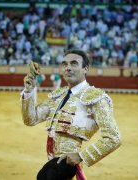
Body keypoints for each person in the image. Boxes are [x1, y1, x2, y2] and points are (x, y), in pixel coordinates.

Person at [20, 49, 121, 180]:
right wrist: (29, 90)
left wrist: (81, 156)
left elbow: (114, 138)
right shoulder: (58, 95)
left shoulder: (97, 98)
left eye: (74, 64)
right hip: (52, 163)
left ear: (85, 69)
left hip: (68, 168)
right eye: (65, 64)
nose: (68, 68)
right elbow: (31, 119)